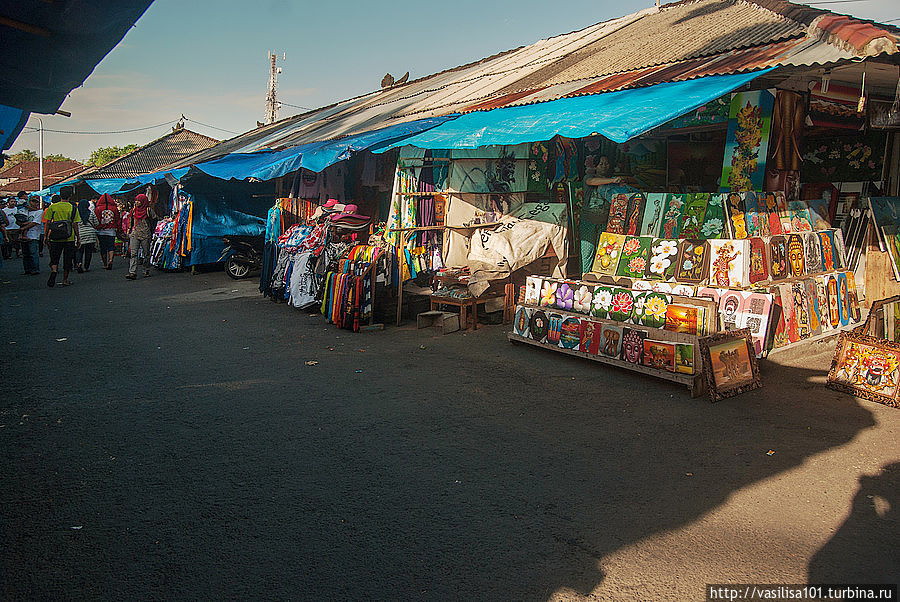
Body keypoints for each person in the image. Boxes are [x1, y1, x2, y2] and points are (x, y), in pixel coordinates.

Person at [42, 187, 81, 287]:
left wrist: (45, 236)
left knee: (55, 256)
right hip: (69, 237)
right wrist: (78, 238)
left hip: (55, 236)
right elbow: (75, 224)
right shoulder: (73, 208)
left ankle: (54, 270)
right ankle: (65, 279)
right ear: (70, 195)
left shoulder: (53, 207)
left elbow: (47, 223)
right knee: (67, 259)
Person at [126, 193, 155, 280]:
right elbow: (130, 221)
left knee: (146, 253)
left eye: (139, 200)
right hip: (135, 234)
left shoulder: (148, 210)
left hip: (145, 234)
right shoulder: (134, 210)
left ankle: (146, 269)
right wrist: (129, 231)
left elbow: (154, 219)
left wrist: (151, 231)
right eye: (136, 200)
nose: (137, 202)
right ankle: (132, 272)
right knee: (133, 253)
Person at [18, 195, 44, 275]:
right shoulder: (25, 211)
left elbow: (35, 222)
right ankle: (27, 269)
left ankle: (35, 269)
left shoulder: (39, 212)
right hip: (24, 233)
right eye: (33, 201)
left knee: (33, 253)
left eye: (36, 202)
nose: (34, 203)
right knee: (25, 254)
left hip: (33, 235)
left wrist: (24, 227)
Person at [94, 193, 119, 270]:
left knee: (103, 247)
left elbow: (96, 220)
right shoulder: (114, 208)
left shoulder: (98, 209)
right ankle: (111, 260)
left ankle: (105, 263)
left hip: (101, 231)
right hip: (111, 230)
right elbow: (118, 218)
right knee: (111, 246)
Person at [75, 198, 99, 272]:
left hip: (80, 234)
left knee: (79, 250)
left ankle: (79, 263)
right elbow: (96, 223)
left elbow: (74, 224)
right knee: (88, 251)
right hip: (90, 234)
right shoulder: (91, 213)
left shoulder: (76, 214)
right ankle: (86, 267)